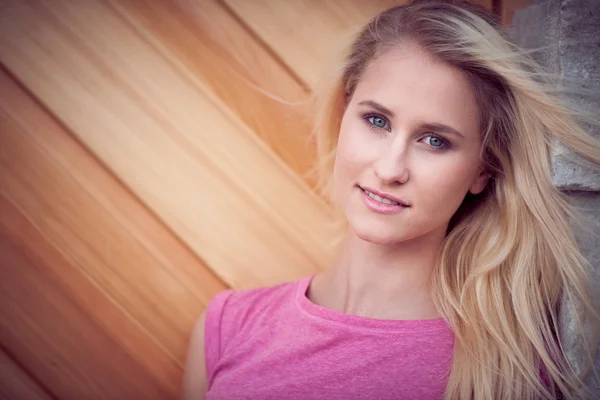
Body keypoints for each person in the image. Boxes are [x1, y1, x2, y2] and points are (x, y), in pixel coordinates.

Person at [181, 1, 600, 399]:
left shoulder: (514, 367)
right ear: (343, 116)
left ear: (483, 170)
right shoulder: (227, 326)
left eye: (435, 141)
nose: (390, 168)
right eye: (376, 121)